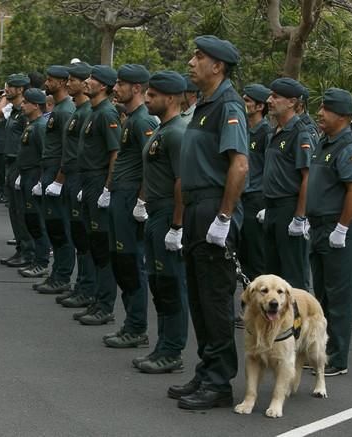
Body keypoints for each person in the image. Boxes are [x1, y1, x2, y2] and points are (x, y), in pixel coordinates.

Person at [168, 35, 248, 410]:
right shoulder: (204, 104)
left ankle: (219, 382)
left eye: (198, 57)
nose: (191, 61)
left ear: (218, 66)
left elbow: (239, 164)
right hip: (198, 207)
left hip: (214, 209)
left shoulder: (227, 105)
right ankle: (206, 370)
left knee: (215, 300)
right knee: (199, 299)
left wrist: (224, 217)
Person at [307, 88, 352, 376]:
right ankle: (322, 351)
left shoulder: (349, 148)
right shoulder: (324, 142)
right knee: (322, 295)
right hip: (319, 227)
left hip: (337, 228)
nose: (320, 113)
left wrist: (342, 228)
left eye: (326, 109)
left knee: (339, 297)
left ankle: (337, 357)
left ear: (342, 116)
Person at [136, 70, 189, 373]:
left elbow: (182, 181)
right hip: (156, 212)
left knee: (171, 284)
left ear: (170, 98)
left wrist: (177, 226)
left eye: (153, 95)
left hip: (169, 213)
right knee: (159, 283)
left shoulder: (177, 132)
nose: (147, 99)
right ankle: (163, 345)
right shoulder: (162, 129)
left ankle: (172, 351)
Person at [101, 64, 158, 348]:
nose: (116, 88)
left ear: (137, 88)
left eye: (122, 84)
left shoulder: (143, 121)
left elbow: (151, 165)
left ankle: (137, 327)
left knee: (131, 264)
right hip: (120, 195)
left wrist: (141, 201)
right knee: (121, 262)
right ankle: (131, 324)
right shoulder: (131, 118)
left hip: (130, 198)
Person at [72, 65, 121, 326]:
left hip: (99, 181)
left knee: (102, 248)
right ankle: (96, 298)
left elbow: (114, 153)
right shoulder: (94, 111)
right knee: (91, 243)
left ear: (103, 86)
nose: (87, 82)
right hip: (88, 180)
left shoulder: (107, 114)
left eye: (92, 79)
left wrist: (107, 188)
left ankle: (105, 305)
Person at [261, 78, 312, 289]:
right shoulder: (276, 131)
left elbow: (308, 177)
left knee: (293, 274)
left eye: (275, 96)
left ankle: (297, 320)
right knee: (273, 275)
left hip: (289, 208)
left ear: (291, 102)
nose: (269, 100)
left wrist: (299, 217)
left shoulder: (300, 132)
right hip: (273, 208)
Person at [55, 62, 97, 309]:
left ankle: (87, 288)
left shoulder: (86, 113)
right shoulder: (78, 111)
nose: (68, 83)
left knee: (85, 239)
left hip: (81, 179)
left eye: (73, 80)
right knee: (78, 236)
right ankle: (81, 285)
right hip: (72, 177)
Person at [36, 65, 76, 293]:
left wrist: (58, 180)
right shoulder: (60, 108)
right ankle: (57, 273)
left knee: (61, 229)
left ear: (61, 83)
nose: (47, 82)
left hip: (58, 173)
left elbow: (67, 150)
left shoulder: (65, 110)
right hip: (49, 170)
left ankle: (62, 276)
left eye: (51, 80)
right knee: (53, 227)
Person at [0, 74, 36, 269]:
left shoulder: (25, 113)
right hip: (10, 162)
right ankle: (21, 248)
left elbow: (27, 143)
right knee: (13, 209)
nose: (7, 89)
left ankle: (28, 251)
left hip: (21, 164)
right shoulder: (14, 111)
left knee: (22, 211)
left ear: (20, 89)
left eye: (11, 86)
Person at [17, 88, 51, 278]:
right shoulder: (32, 124)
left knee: (37, 221)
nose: (22, 105)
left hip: (35, 176)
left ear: (36, 105)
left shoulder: (41, 126)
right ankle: (36, 258)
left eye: (25, 102)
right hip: (27, 175)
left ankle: (42, 261)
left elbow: (44, 155)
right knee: (30, 219)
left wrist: (40, 180)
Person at [238, 83, 271, 281]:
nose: (243, 103)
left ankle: (261, 308)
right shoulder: (243, 130)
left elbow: (270, 169)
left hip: (256, 199)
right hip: (241, 198)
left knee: (257, 257)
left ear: (260, 107)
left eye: (247, 100)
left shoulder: (266, 133)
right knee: (243, 257)